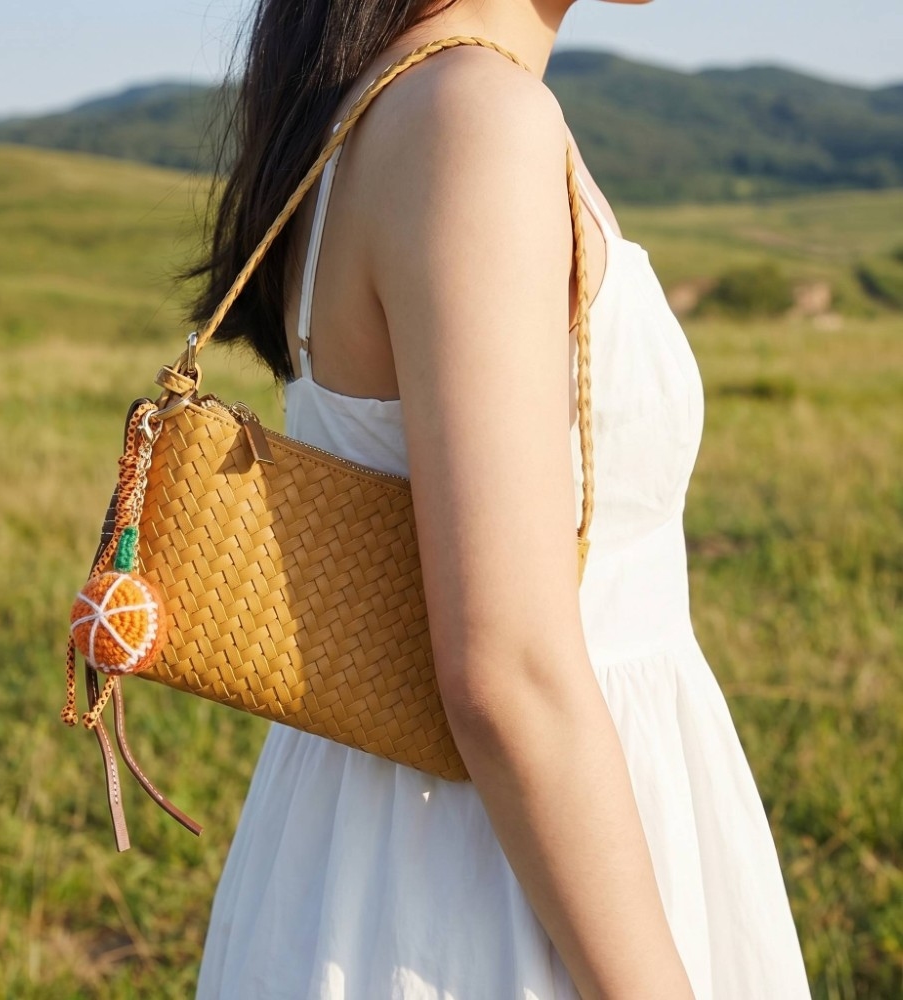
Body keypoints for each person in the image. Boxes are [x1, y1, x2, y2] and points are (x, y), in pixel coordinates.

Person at [189, 0, 813, 996]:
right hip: (498, 874)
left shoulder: (404, 103)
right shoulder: (471, 118)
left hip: (413, 834)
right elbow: (505, 671)